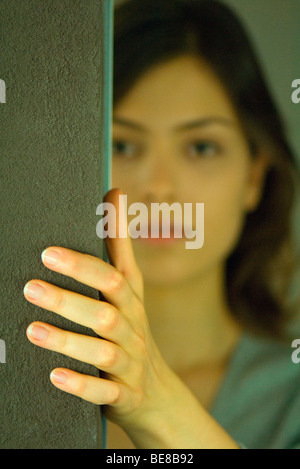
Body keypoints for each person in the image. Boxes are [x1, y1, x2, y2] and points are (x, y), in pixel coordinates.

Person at [23, 0, 300, 449]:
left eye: (202, 148)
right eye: (123, 145)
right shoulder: (19, 376)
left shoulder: (291, 396)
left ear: (254, 176)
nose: (159, 189)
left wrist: (155, 405)